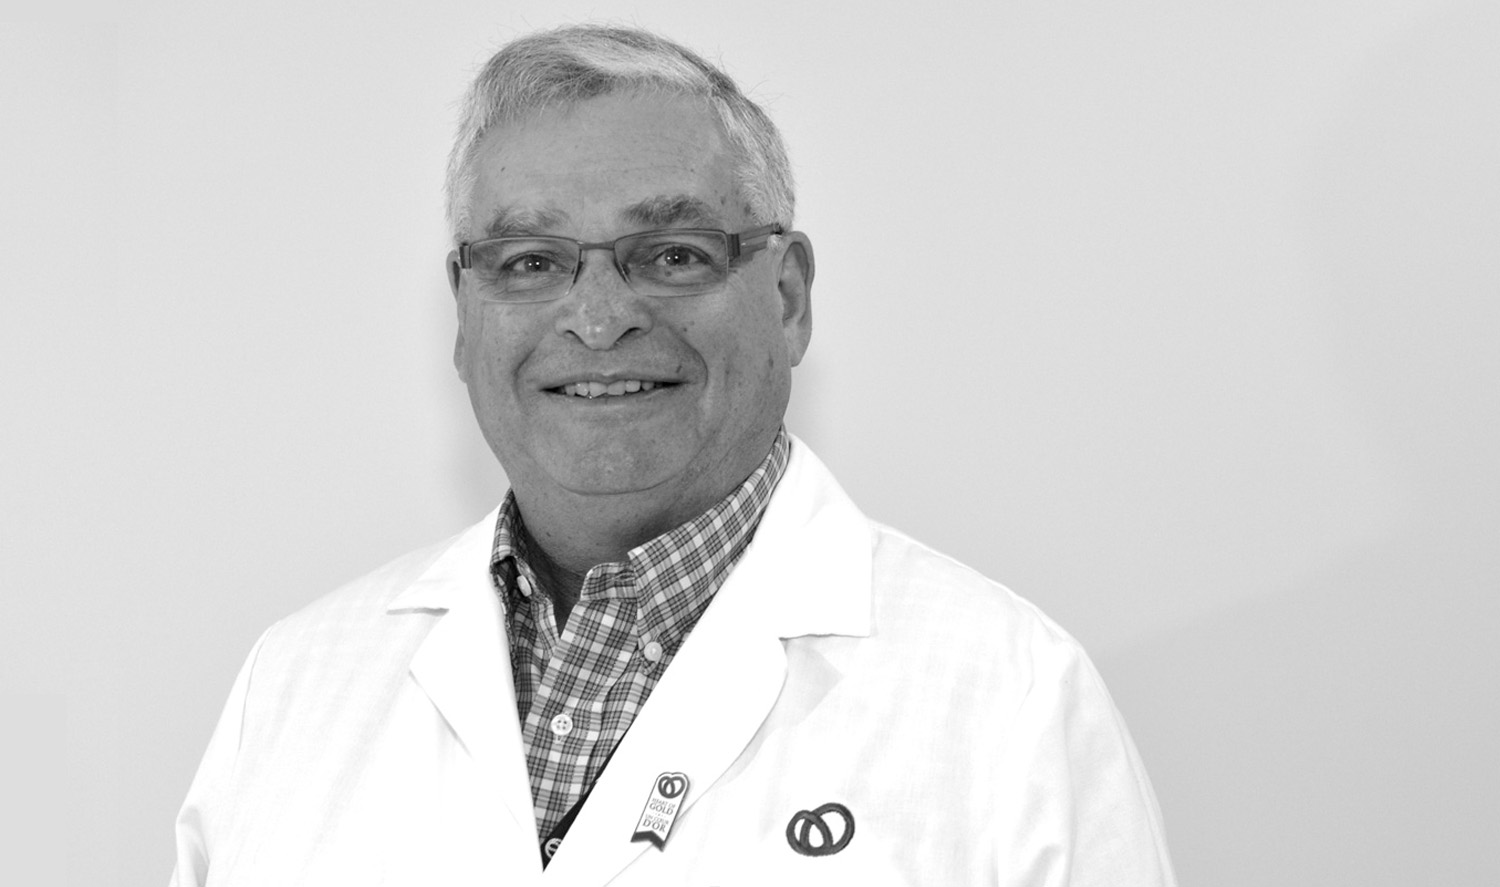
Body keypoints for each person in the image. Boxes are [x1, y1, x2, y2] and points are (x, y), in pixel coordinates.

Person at [170, 24, 1176, 887]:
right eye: (530, 261)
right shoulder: (295, 687)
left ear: (788, 297)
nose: (599, 316)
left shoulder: (1009, 703)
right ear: (465, 314)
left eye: (674, 254)